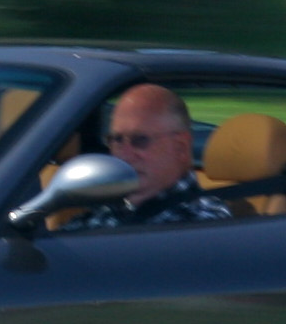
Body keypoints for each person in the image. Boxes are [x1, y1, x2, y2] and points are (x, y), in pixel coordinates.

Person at [62, 83, 232, 231]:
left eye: (140, 140)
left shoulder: (203, 223)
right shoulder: (105, 208)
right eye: (117, 140)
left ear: (180, 147)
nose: (124, 155)